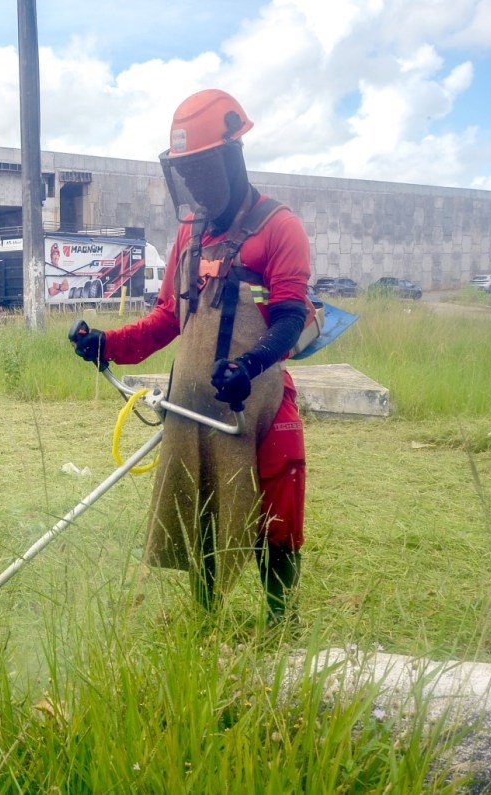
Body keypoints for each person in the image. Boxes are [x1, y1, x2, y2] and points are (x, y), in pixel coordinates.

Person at [70, 89, 311, 624]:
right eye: (186, 173)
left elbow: (292, 317)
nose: (196, 185)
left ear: (232, 157)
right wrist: (108, 344)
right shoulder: (190, 234)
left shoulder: (279, 227)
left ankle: (281, 622)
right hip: (193, 404)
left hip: (257, 404)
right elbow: (167, 320)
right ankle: (206, 619)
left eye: (203, 170)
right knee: (200, 509)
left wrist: (249, 367)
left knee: (277, 513)